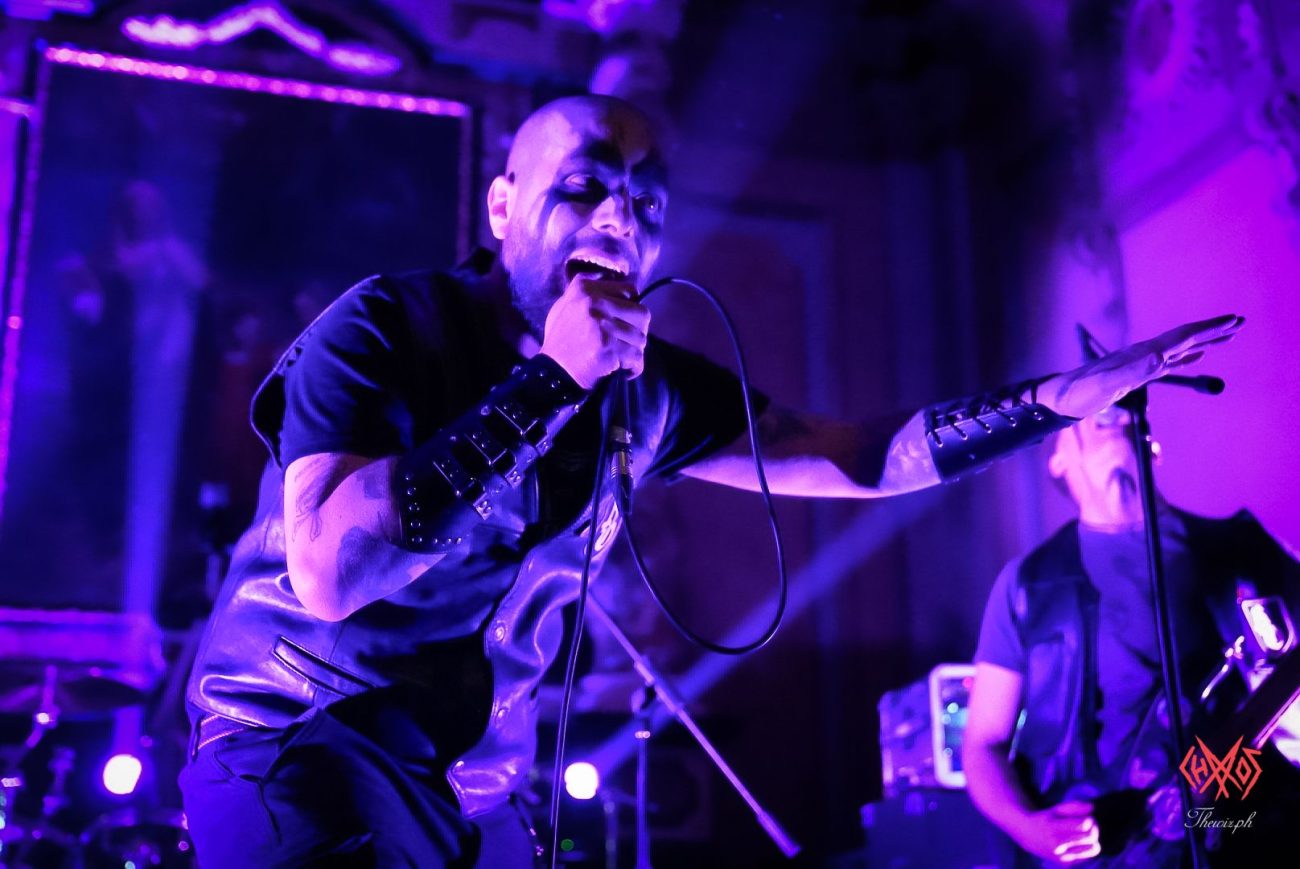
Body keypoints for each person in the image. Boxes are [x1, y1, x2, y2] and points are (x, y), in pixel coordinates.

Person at [179, 94, 1242, 867]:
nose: (618, 219)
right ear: (502, 206)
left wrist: (1058, 399)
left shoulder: (643, 393)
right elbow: (331, 573)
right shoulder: (385, 325)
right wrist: (551, 381)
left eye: (644, 202)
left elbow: (860, 457)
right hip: (300, 741)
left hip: (474, 783)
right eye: (582, 186)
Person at [964, 403, 1300, 866]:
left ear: (1152, 446)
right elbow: (983, 743)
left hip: (1235, 839)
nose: (1116, 408)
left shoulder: (1245, 551)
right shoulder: (1027, 585)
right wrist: (1027, 826)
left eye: (1126, 405)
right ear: (1058, 460)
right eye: (1094, 405)